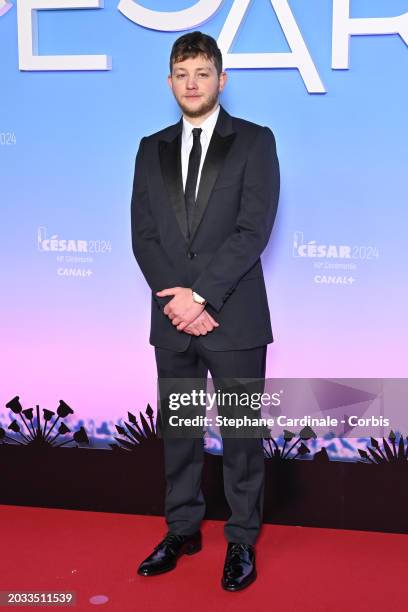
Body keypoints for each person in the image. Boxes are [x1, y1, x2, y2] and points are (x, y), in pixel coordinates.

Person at [130, 31, 280, 591]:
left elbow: (252, 230)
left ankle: (241, 539)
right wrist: (178, 301)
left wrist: (202, 297)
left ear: (222, 78)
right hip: (172, 319)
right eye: (182, 74)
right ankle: (183, 530)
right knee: (179, 432)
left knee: (241, 436)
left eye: (202, 72)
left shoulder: (256, 142)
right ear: (170, 82)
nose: (192, 83)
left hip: (234, 316)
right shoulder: (151, 147)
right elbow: (143, 235)